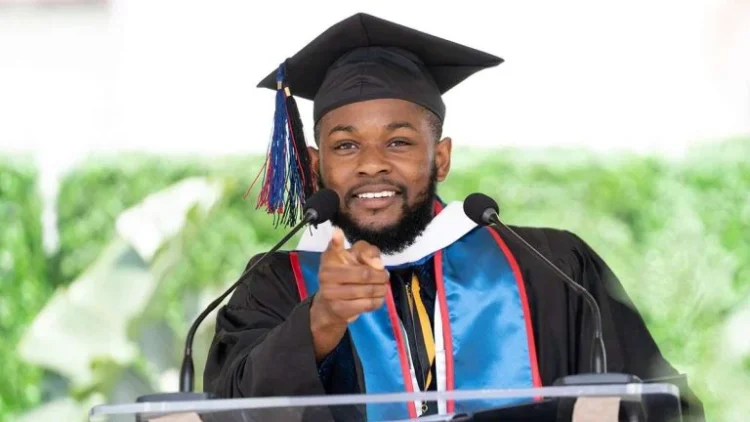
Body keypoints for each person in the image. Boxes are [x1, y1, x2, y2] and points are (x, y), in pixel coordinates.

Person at [203, 12, 704, 422]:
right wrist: (320, 321)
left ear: (440, 157)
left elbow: (657, 403)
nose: (372, 163)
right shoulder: (273, 287)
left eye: (398, 142)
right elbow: (231, 412)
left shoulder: (553, 270)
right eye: (346, 145)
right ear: (316, 166)